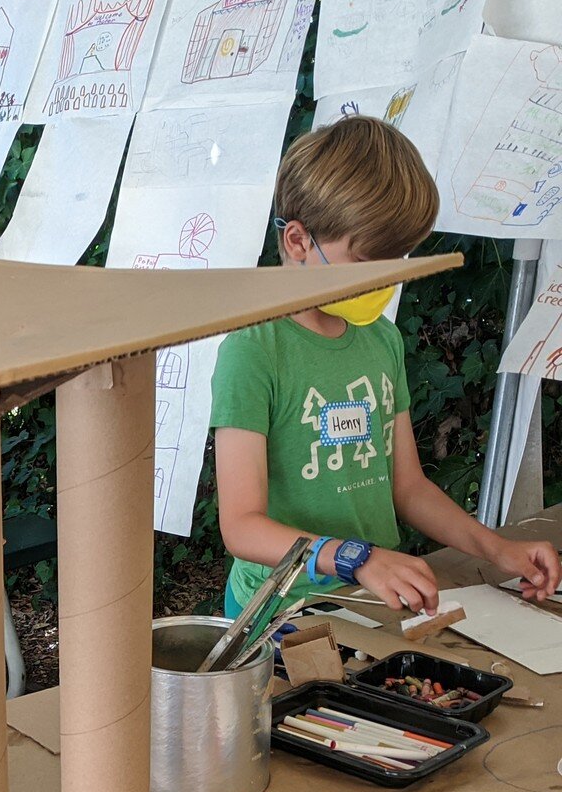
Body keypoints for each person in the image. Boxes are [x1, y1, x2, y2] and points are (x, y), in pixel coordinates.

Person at [212, 115, 561, 617]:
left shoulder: (381, 340)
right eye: (369, 262)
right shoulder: (253, 350)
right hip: (279, 611)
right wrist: (357, 558)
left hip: (367, 599)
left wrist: (497, 549)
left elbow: (407, 485)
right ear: (298, 242)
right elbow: (243, 526)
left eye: (397, 262)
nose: (386, 282)